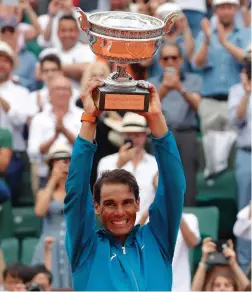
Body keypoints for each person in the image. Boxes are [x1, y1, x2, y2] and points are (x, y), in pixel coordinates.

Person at [64, 78, 185, 290]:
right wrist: (89, 118)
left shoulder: (157, 239)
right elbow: (76, 191)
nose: (120, 212)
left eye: (127, 202)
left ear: (138, 203)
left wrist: (155, 117)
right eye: (110, 204)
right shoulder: (86, 248)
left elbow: (174, 187)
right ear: (96, 206)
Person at [193, 0, 251, 178]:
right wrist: (208, 41)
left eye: (229, 7)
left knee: (234, 154)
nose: (225, 11)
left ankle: (234, 197)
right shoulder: (205, 34)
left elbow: (247, 59)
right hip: (210, 101)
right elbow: (197, 63)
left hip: (236, 101)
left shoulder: (245, 32)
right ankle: (211, 190)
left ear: (235, 9)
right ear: (216, 10)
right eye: (221, 7)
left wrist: (224, 42)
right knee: (209, 155)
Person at [149, 42, 201, 206]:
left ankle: (188, 219)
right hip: (161, 135)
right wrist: (163, 89)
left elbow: (198, 106)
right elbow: (147, 108)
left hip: (186, 133)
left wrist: (180, 88)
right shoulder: (151, 83)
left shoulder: (194, 80)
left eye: (174, 57)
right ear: (161, 62)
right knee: (159, 176)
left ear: (181, 60)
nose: (170, 61)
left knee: (188, 179)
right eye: (166, 58)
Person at [97, 112, 158, 225]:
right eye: (129, 135)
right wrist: (119, 164)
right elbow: (102, 195)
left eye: (138, 135)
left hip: (149, 226)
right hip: (116, 224)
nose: (134, 139)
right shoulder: (106, 162)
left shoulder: (156, 164)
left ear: (145, 136)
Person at [27, 75, 82, 187]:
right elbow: (33, 152)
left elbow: (88, 147)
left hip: (76, 173)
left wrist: (64, 131)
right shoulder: (39, 119)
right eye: (57, 89)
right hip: (46, 174)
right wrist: (54, 137)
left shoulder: (82, 115)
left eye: (65, 89)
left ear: (71, 93)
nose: (61, 93)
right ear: (49, 94)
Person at [32, 143, 72, 289]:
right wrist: (53, 180)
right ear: (51, 164)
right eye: (57, 160)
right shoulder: (44, 192)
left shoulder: (77, 189)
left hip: (71, 244)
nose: (63, 164)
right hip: (50, 245)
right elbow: (39, 211)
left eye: (67, 160)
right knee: (46, 287)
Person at [228, 44, 251, 271]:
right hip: (247, 154)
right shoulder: (237, 89)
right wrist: (247, 91)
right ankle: (244, 267)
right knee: (245, 211)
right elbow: (237, 120)